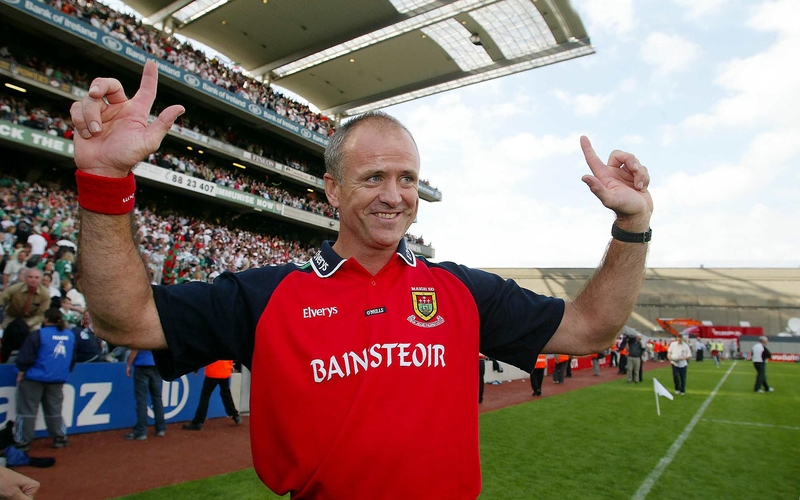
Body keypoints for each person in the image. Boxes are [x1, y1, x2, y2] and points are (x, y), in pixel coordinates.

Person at [69, 61, 652, 499]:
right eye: (373, 177)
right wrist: (102, 180)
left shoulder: (463, 292)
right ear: (332, 189)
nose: (395, 196)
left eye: (408, 179)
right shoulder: (268, 294)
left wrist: (632, 224)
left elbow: (592, 328)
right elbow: (127, 319)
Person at [14, 307, 76, 449]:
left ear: (46, 319)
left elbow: (26, 356)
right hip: (57, 379)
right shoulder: (70, 335)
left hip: (34, 379)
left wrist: (21, 372)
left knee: (27, 411)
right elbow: (72, 359)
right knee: (54, 411)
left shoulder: (39, 334)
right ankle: (59, 437)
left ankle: (23, 441)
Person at [181, 360, 242, 430]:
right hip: (226, 369)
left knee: (205, 395)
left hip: (213, 370)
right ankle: (235, 415)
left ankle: (198, 421)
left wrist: (196, 368)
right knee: (225, 393)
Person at [125, 349, 166, 440]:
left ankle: (141, 431)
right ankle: (160, 428)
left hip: (142, 366)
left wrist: (128, 365)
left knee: (142, 399)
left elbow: (135, 349)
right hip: (156, 366)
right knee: (157, 398)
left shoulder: (141, 335)